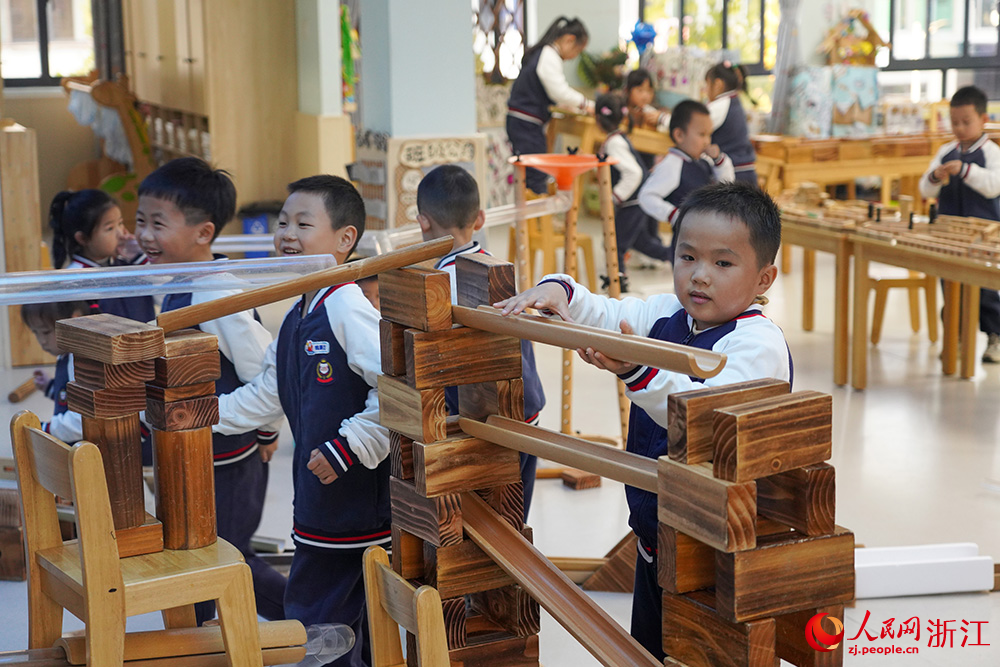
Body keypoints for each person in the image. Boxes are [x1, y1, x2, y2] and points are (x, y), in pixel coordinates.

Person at [495, 181, 791, 660]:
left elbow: (704, 413)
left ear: (763, 279)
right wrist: (558, 289)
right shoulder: (669, 314)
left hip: (718, 551)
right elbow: (611, 312)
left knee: (702, 652)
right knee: (649, 650)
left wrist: (635, 370)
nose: (699, 276)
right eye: (687, 257)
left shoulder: (757, 344)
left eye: (722, 263)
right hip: (656, 537)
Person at [214, 175, 388, 667]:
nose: (287, 234)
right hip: (319, 502)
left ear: (345, 239)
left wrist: (350, 446)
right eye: (282, 222)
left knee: (319, 622)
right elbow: (267, 395)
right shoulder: (298, 312)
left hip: (354, 504)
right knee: (334, 623)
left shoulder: (348, 306)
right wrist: (202, 416)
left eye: (303, 224)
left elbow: (401, 389)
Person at [135, 157, 286, 623]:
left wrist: (258, 429)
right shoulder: (186, 282)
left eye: (158, 224)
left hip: (229, 461)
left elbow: (269, 372)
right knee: (202, 558)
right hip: (195, 455)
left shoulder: (215, 292)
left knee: (226, 558)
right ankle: (206, 638)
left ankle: (316, 621)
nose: (143, 234)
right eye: (140, 220)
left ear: (203, 233)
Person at [416, 165, 545, 520]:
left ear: (422, 221)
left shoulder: (439, 284)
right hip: (526, 410)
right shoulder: (500, 268)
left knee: (483, 518)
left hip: (481, 422)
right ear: (481, 219)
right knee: (515, 516)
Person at [920, 85, 1000, 363]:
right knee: (951, 285)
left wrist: (965, 170)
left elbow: (993, 186)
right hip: (948, 233)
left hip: (983, 235)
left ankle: (995, 337)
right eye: (955, 122)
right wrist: (935, 176)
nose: (960, 128)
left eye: (967, 122)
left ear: (983, 119)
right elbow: (925, 190)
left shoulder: (991, 152)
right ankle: (955, 339)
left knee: (986, 291)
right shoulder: (945, 151)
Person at [507, 16, 594, 194]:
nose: (573, 58)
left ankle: (533, 219)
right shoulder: (550, 54)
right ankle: (537, 220)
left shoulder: (544, 53)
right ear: (570, 40)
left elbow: (552, 91)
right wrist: (586, 104)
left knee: (531, 174)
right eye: (577, 51)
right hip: (526, 123)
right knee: (536, 175)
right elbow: (559, 90)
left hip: (522, 121)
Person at [595, 92, 672, 291]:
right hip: (637, 201)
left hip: (632, 202)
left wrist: (615, 196)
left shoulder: (614, 143)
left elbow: (634, 173)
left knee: (616, 243)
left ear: (597, 119)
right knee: (641, 242)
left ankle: (618, 280)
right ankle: (673, 255)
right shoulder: (617, 139)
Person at [638, 100, 735, 249]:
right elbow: (646, 196)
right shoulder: (672, 164)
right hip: (686, 244)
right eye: (701, 134)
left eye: (709, 135)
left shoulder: (703, 161)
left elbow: (727, 187)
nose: (707, 141)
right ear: (679, 135)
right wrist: (674, 215)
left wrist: (719, 161)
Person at [48, 189, 155, 323]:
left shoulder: (131, 264)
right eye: (110, 228)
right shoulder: (73, 280)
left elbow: (163, 296)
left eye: (120, 223)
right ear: (82, 238)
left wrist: (140, 255)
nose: (120, 233)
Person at [21, 300, 96, 444]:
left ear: (74, 321)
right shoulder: (66, 355)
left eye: (46, 332)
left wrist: (46, 429)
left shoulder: (81, 361)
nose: (41, 341)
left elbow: (82, 421)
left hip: (85, 451)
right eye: (35, 332)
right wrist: (50, 387)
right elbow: (68, 397)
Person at [704, 61, 758, 185]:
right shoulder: (733, 100)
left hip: (734, 170)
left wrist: (661, 119)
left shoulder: (721, 104)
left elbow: (693, 125)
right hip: (744, 169)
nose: (705, 90)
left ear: (717, 84)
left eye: (707, 85)